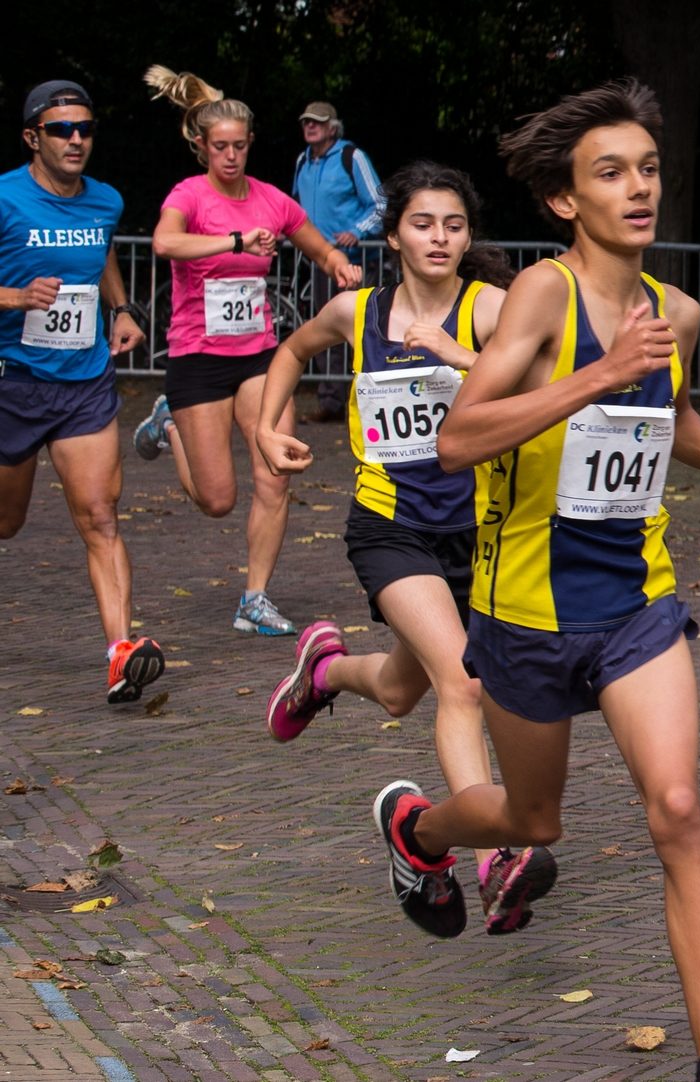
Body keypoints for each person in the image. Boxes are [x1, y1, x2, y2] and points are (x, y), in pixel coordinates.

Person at [375, 81, 700, 1082]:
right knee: (530, 819)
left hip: (635, 600)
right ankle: (416, 828)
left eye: (647, 168)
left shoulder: (672, 309)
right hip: (523, 607)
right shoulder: (544, 296)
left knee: (678, 807)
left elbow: (663, 414)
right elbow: (459, 436)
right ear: (566, 199)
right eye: (612, 172)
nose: (638, 188)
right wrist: (593, 376)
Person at [253, 162, 548, 937]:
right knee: (463, 684)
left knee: (396, 689)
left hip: (478, 534)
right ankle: (493, 857)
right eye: (424, 223)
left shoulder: (492, 309)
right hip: (391, 528)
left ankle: (321, 671)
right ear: (394, 236)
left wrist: (455, 355)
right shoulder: (358, 312)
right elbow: (289, 352)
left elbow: (551, 386)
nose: (440, 237)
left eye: (454, 225)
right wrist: (266, 427)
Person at [134, 66, 361, 636]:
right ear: (203, 148)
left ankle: (254, 599)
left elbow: (317, 246)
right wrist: (234, 241)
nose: (230, 157)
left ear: (250, 145)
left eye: (239, 146)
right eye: (220, 148)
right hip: (198, 358)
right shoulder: (189, 195)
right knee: (216, 500)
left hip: (260, 357)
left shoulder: (271, 200)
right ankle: (171, 427)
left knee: (276, 475)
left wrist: (340, 266)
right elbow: (164, 242)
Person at [0, 79, 162, 704]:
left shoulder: (105, 201)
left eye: (85, 129)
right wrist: (14, 297)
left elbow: (99, 256)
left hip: (84, 380)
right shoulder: (6, 198)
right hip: (13, 383)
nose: (75, 140)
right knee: (7, 522)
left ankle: (122, 654)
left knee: (99, 517)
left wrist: (122, 308)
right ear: (31, 137)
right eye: (61, 129)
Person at [291, 100, 385, 424]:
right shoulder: (303, 161)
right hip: (322, 262)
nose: (310, 126)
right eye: (306, 122)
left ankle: (372, 398)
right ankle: (331, 403)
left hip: (360, 262)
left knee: (366, 329)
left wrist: (357, 232)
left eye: (317, 122)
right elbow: (295, 212)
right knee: (324, 331)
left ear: (333, 127)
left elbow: (381, 203)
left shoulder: (351, 157)